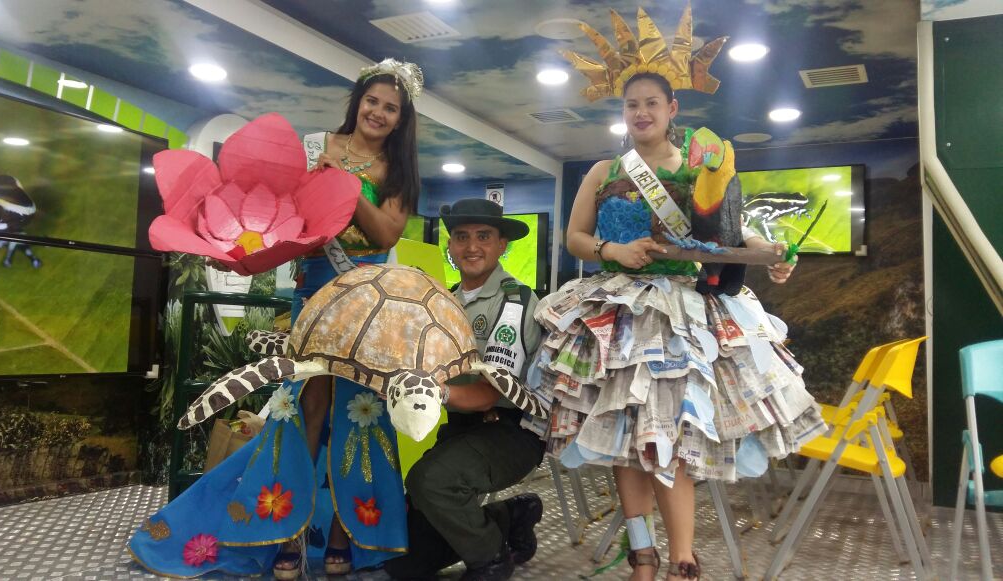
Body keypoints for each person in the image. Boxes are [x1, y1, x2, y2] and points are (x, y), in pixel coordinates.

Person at [540, 8, 825, 581]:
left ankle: (684, 559)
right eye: (631, 104)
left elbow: (731, 232)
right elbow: (574, 238)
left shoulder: (701, 168)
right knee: (621, 435)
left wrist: (769, 252)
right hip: (616, 313)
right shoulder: (602, 171)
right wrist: (613, 250)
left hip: (682, 313)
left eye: (651, 103)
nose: (640, 112)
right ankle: (642, 554)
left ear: (672, 110)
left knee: (671, 438)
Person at [127, 58, 423, 579]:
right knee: (303, 409)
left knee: (362, 411)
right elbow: (293, 217)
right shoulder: (315, 147)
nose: (378, 112)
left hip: (366, 302)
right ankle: (283, 532)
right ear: (357, 102)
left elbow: (385, 235)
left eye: (390, 108)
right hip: (313, 293)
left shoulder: (397, 170)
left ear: (402, 119)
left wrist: (343, 186)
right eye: (371, 101)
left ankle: (346, 534)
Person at [383, 199, 546, 581]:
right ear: (450, 246)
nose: (472, 246)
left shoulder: (515, 302)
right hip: (460, 431)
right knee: (405, 564)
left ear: (502, 244)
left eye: (484, 236)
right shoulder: (443, 302)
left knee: (430, 481)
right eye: (461, 237)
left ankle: (491, 559)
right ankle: (511, 515)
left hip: (510, 431)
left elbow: (490, 395)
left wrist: (431, 391)